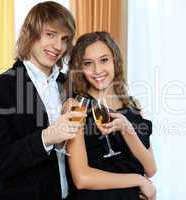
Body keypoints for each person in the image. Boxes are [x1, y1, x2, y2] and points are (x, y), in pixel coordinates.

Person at [0, 2, 83, 200]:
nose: (58, 46)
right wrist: (47, 137)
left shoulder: (70, 86)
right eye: (50, 34)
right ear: (30, 33)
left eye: (64, 38)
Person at [64, 32, 157, 200]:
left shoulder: (132, 104)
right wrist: (138, 180)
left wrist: (126, 128)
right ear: (80, 68)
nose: (97, 70)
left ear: (115, 61)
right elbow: (81, 179)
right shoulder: (77, 107)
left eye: (104, 60)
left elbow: (150, 168)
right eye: (88, 63)